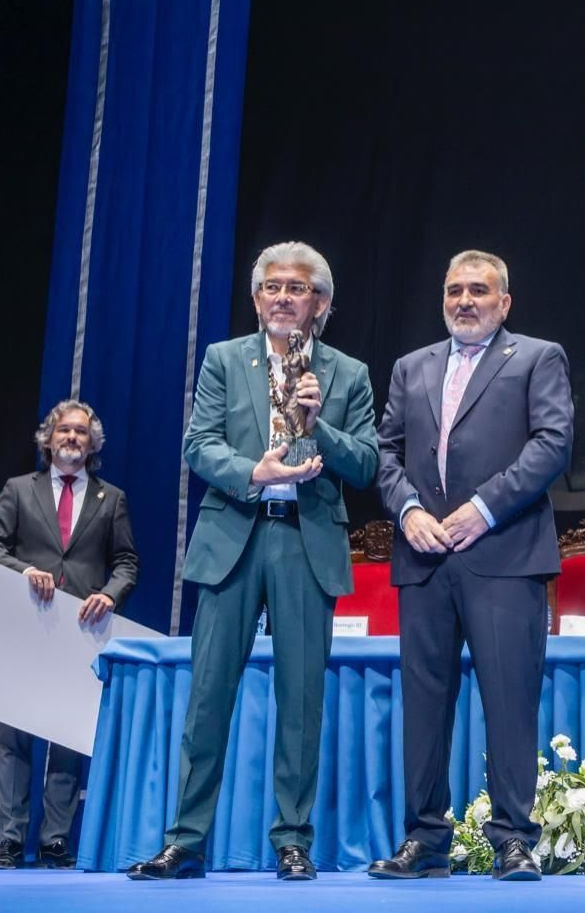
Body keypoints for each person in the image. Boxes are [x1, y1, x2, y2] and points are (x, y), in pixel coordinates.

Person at [129, 241, 378, 882]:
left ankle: (292, 841)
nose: (283, 297)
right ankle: (185, 843)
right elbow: (197, 444)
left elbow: (367, 463)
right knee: (208, 697)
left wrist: (316, 424)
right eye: (272, 286)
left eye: (297, 288)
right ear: (257, 297)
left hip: (305, 541)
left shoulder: (348, 373)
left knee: (300, 703)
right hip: (234, 536)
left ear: (319, 302)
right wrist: (252, 471)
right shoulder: (224, 359)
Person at [370, 249, 573, 883]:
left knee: (510, 703)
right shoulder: (412, 366)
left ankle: (513, 839)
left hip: (505, 556)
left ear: (504, 302)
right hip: (424, 556)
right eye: (454, 289)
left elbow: (553, 444)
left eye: (479, 290)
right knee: (424, 708)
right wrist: (406, 511)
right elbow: (385, 450)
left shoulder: (538, 358)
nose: (464, 300)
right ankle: (425, 838)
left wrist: (483, 508)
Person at [0, 399, 139, 869]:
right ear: (48, 439)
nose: (72, 438)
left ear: (93, 445)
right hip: (27, 626)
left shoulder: (112, 499)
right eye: (64, 431)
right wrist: (24, 569)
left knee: (67, 740)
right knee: (16, 737)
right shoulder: (18, 490)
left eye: (81, 433)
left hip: (80, 631)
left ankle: (54, 841)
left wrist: (110, 594)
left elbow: (127, 562)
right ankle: (9, 840)